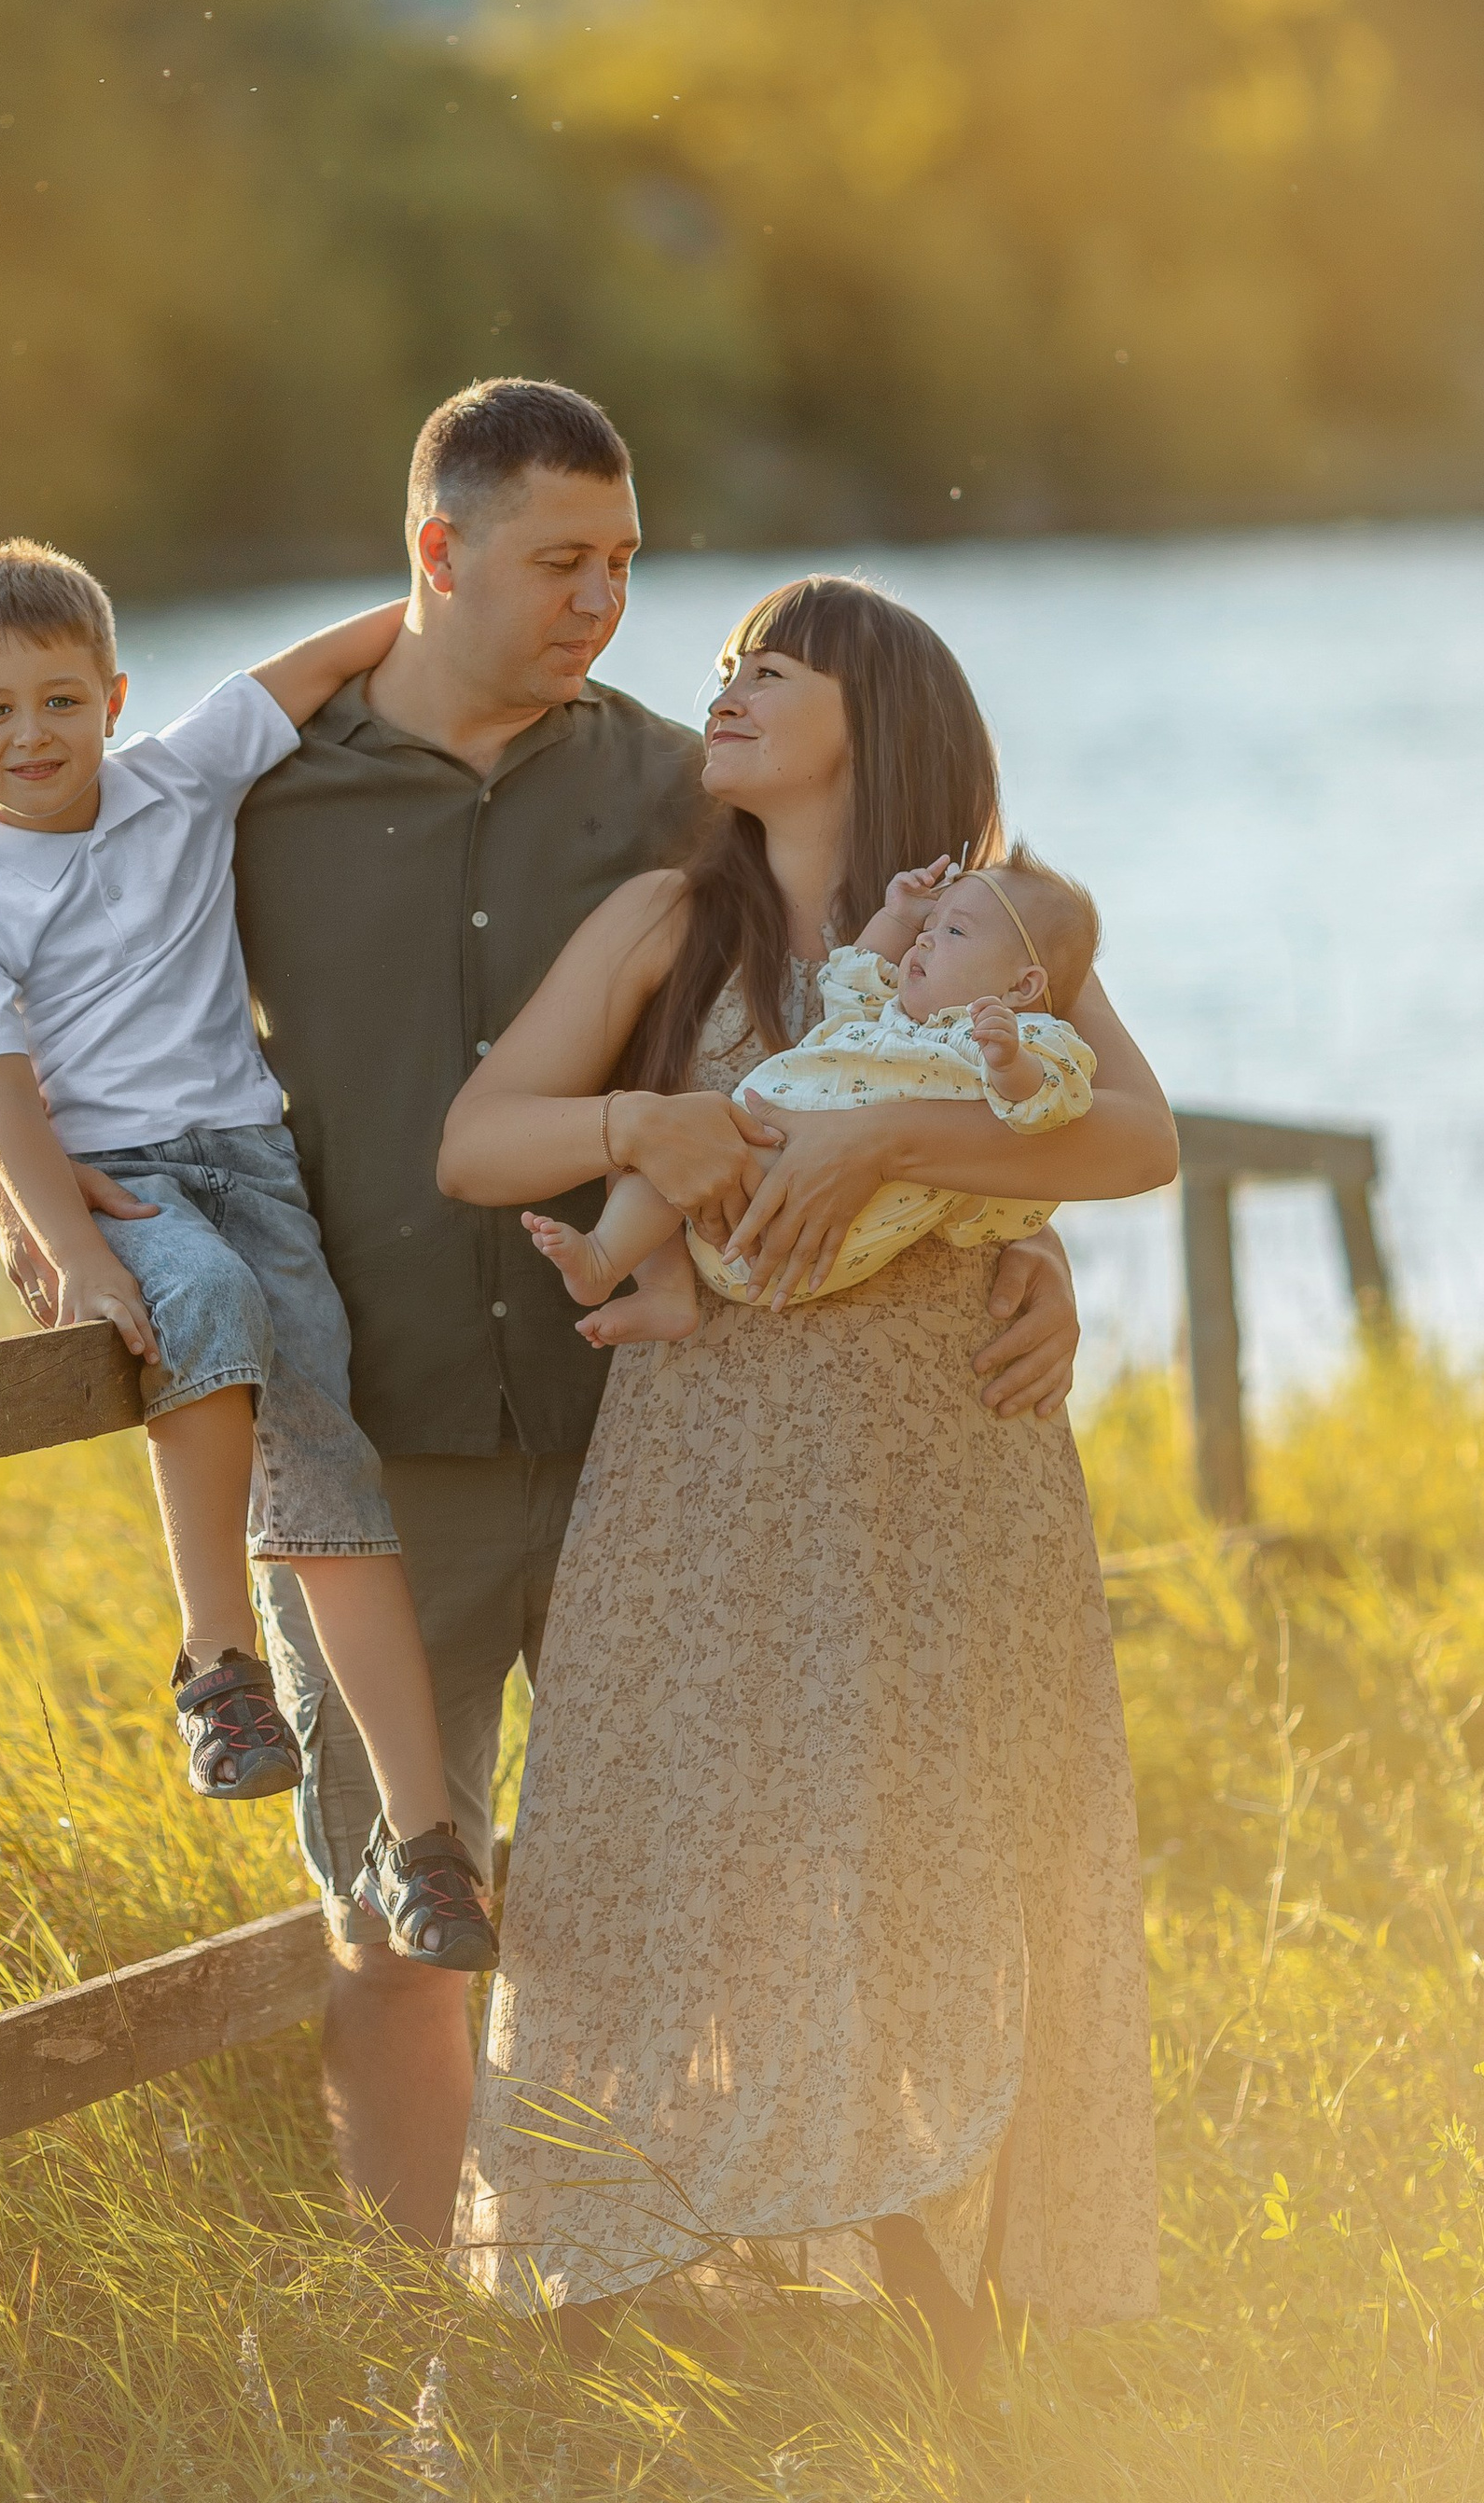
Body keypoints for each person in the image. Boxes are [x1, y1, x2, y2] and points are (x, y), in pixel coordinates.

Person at [0, 384, 1103, 2245]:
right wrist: (11, 1177)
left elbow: (901, 1013)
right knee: (398, 1910)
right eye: (560, 563)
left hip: (647, 1433)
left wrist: (1014, 1244)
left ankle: (683, 2288)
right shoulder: (255, 798)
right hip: (373, 1422)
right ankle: (424, 2313)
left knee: (708, 1888)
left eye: (623, 565)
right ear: (437, 555)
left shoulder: (677, 785)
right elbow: (14, 971)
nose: (601, 604)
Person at [439, 574, 1170, 2363]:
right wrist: (644, 1128)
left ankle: (940, 2290)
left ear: (882, 710)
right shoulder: (664, 923)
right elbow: (476, 1143)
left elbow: (1138, 1133)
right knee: (667, 1852)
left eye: (772, 667)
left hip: (948, 1470)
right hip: (706, 1474)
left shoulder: (994, 930)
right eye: (724, 670)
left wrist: (918, 1145)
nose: (728, 691)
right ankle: (604, 2286)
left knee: (943, 1857)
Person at [0, 538, 496, 1968]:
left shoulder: (182, 773)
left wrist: (463, 598)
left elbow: (323, 663)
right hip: (112, 1197)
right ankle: (216, 1662)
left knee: (336, 1488)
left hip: (255, 1168)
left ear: (114, 696)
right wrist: (70, 1252)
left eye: (59, 700)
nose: (29, 736)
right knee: (209, 1304)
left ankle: (426, 1847)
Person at [528, 842, 1100, 1344]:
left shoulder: (1008, 1036)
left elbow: (1051, 1101)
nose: (924, 940)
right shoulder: (893, 1019)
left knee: (668, 1160)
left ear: (1022, 985)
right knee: (648, 1157)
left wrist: (1010, 1064)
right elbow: (852, 978)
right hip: (758, 1173)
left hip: (805, 1213)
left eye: (951, 931)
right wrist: (896, 915)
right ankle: (667, 1289)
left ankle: (604, 1258)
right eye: (927, 928)